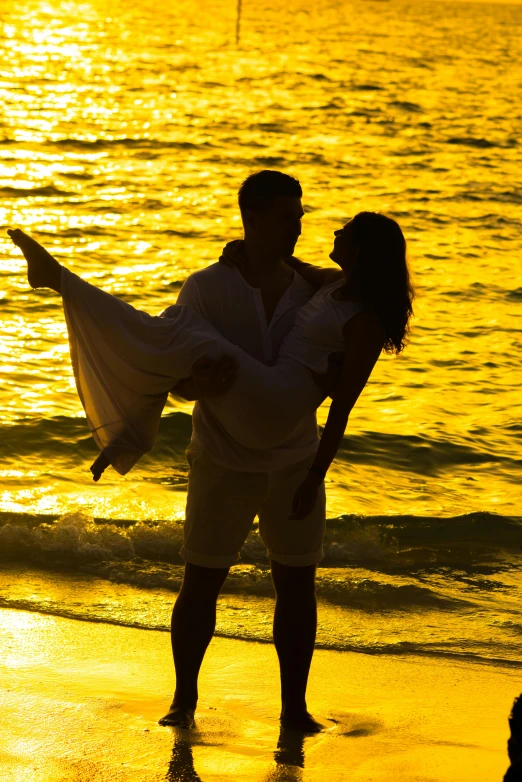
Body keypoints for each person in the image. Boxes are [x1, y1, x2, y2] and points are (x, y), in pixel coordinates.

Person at [8, 172, 413, 733]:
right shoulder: (215, 287)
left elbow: (342, 392)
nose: (302, 226)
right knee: (201, 579)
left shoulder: (321, 291)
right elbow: (183, 385)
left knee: (297, 584)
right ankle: (184, 701)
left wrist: (316, 471)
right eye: (288, 217)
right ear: (254, 219)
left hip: (291, 449)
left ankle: (294, 709)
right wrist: (199, 382)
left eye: (301, 216)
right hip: (225, 456)